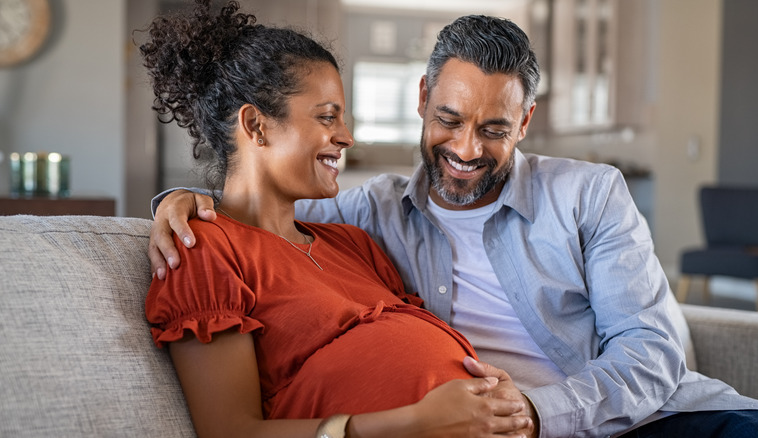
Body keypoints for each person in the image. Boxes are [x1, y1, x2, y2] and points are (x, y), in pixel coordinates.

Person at [149, 12, 758, 438]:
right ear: (422, 97)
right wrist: (174, 200)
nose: (467, 148)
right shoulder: (371, 212)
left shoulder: (590, 195)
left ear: (526, 122)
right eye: (449, 118)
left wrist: (535, 413)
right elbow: (253, 215)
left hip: (640, 421)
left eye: (495, 129)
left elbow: (651, 354)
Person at [140, 2, 536, 437]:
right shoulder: (204, 251)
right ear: (255, 125)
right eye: (328, 117)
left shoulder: (352, 242)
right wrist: (414, 422)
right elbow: (230, 432)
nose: (346, 137)